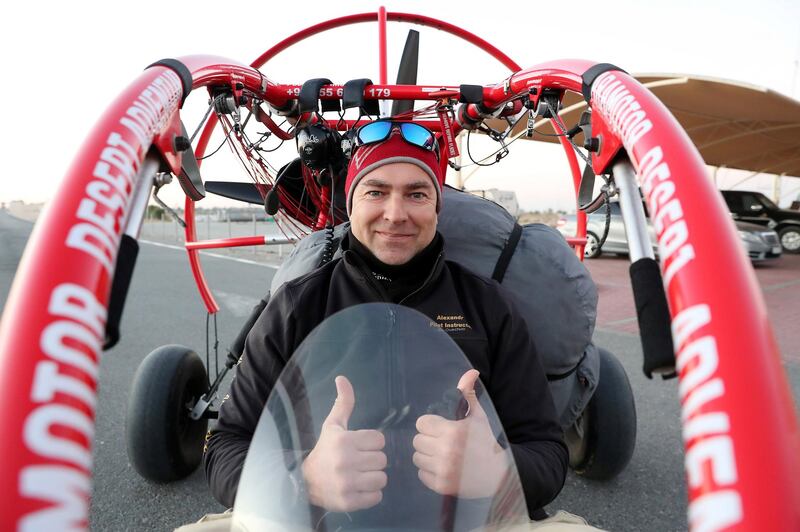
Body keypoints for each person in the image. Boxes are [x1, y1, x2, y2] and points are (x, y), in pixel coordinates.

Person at [200, 122, 598, 530]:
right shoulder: (296, 306)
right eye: (376, 191)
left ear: (436, 207)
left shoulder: (489, 306)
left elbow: (548, 453)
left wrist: (499, 471)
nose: (395, 214)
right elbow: (225, 448)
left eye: (416, 194)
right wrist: (302, 483)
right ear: (351, 204)